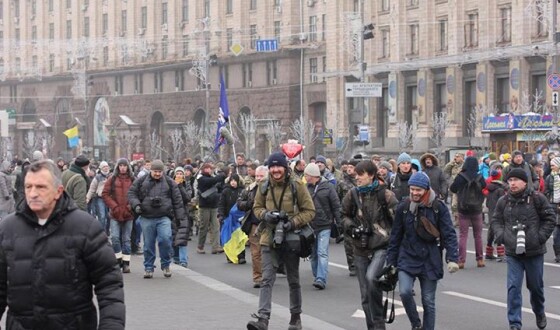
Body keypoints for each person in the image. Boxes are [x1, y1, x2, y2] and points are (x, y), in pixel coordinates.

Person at [0, 160, 125, 329]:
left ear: (58, 191)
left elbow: (109, 284)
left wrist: (111, 325)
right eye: (28, 187)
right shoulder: (7, 229)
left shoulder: (85, 227)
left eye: (41, 187)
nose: (33, 193)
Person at [246, 152, 315, 330]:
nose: (275, 170)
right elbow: (257, 208)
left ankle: (295, 318)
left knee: (293, 279)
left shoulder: (297, 185)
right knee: (267, 278)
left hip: (291, 237)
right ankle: (263, 319)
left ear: (285, 167)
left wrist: (292, 223)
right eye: (272, 167)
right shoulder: (263, 185)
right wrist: (266, 215)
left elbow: (310, 211)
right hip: (268, 236)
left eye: (279, 166)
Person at [386, 172, 459, 330]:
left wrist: (452, 258)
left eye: (418, 190)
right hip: (407, 257)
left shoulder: (438, 207)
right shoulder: (404, 207)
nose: (414, 193)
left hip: (430, 259)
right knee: (405, 292)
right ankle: (415, 323)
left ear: (426, 189)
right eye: (412, 189)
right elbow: (395, 236)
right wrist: (391, 262)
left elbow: (449, 234)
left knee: (428, 302)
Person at [492, 168, 556, 330]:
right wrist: (502, 236)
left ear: (525, 182)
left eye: (516, 180)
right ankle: (514, 323)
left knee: (536, 288)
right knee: (513, 288)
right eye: (510, 180)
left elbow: (550, 218)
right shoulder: (504, 201)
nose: (512, 183)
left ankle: (539, 312)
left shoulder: (537, 198)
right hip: (513, 252)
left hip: (534, 252)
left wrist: (539, 237)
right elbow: (496, 220)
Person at [341, 160, 397, 330]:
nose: (356, 177)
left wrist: (396, 249)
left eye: (361, 174)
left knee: (372, 279)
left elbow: (398, 223)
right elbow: (343, 215)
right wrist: (353, 227)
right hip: (360, 247)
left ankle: (379, 325)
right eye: (356, 174)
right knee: (365, 294)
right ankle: (372, 327)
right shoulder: (352, 194)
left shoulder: (385, 195)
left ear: (371, 175)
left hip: (381, 246)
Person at [127, 159, 187, 279]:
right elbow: (131, 193)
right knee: (148, 244)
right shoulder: (141, 181)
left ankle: (165, 264)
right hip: (146, 216)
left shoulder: (170, 182)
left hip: (164, 217)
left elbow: (178, 201)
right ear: (151, 170)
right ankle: (148, 267)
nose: (158, 174)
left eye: (160, 171)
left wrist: (180, 217)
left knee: (165, 240)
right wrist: (137, 205)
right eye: (155, 171)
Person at [304, 163, 341, 290]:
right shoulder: (305, 188)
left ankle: (321, 278)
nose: (305, 177)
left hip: (325, 225)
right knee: (313, 254)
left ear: (312, 175)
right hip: (310, 226)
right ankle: (317, 275)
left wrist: (339, 223)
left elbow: (336, 206)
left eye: (306, 175)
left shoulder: (329, 187)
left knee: (322, 252)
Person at [449, 156, 486, 268]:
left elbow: (453, 189)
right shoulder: (479, 176)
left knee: (463, 235)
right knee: (478, 235)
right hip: (477, 209)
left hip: (463, 208)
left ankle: (461, 261)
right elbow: (484, 186)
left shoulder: (461, 176)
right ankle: (480, 260)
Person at [102, 158, 135, 273]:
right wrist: (114, 206)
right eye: (120, 165)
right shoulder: (112, 179)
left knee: (126, 239)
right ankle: (118, 260)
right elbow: (105, 194)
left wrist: (131, 206)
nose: (122, 168)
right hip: (115, 213)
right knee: (115, 238)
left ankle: (126, 264)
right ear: (117, 167)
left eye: (124, 166)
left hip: (128, 213)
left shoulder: (133, 179)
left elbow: (138, 194)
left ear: (127, 167)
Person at [237, 165, 269, 288]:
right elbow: (239, 203)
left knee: (268, 251)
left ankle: (268, 273)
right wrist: (249, 204)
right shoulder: (249, 189)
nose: (259, 178)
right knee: (256, 252)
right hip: (254, 224)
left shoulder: (272, 189)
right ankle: (257, 277)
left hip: (268, 224)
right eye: (257, 176)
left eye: (261, 176)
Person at [196, 162, 227, 254]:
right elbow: (210, 181)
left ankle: (215, 246)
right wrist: (221, 176)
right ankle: (200, 246)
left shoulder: (212, 178)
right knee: (204, 227)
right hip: (204, 206)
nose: (211, 170)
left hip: (214, 205)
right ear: (205, 169)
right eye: (209, 168)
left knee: (215, 226)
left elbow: (218, 185)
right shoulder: (201, 178)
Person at [336, 158, 359, 276]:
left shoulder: (361, 181)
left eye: (352, 167)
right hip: (348, 214)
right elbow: (337, 198)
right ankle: (352, 265)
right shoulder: (342, 183)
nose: (349, 169)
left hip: (361, 215)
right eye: (348, 166)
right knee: (349, 241)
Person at [218, 173, 246, 263]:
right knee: (228, 237)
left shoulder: (242, 191)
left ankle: (241, 256)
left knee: (239, 237)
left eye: (235, 181)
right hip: (227, 218)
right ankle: (229, 256)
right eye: (232, 181)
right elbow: (221, 204)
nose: (233, 183)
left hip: (238, 218)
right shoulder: (225, 191)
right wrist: (221, 215)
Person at [483, 161, 507, 261]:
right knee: (499, 231)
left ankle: (489, 251)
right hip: (499, 213)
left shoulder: (489, 189)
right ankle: (500, 254)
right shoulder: (500, 190)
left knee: (491, 232)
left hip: (491, 212)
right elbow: (503, 202)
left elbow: (488, 203)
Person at [172, 166, 193, 268]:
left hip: (184, 213)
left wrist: (180, 186)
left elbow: (187, 198)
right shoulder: (170, 185)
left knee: (182, 237)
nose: (179, 176)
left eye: (181, 174)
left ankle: (183, 259)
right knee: (174, 236)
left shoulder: (187, 186)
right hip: (173, 214)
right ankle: (175, 257)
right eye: (177, 174)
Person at [86, 160, 111, 234]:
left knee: (109, 217)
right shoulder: (97, 177)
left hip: (110, 198)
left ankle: (107, 230)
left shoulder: (112, 176)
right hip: (100, 199)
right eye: (104, 167)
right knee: (102, 216)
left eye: (107, 166)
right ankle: (102, 233)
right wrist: (88, 197)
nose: (106, 168)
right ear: (101, 168)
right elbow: (92, 188)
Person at [545, 157, 560, 263]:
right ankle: (558, 254)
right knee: (556, 232)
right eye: (550, 165)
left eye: (553, 165)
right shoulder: (549, 177)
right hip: (553, 206)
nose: (551, 167)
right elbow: (546, 191)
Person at [444, 152, 465, 227]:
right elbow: (445, 170)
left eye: (458, 156)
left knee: (463, 204)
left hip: (463, 187)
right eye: (455, 156)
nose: (456, 158)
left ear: (462, 157)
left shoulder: (464, 165)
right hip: (455, 187)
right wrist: (451, 163)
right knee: (454, 204)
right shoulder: (453, 165)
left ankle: (464, 220)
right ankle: (456, 219)